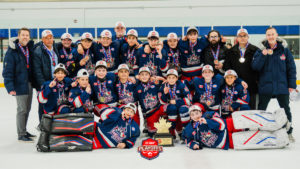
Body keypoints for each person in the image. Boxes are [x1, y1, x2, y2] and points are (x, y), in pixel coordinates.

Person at [252, 27, 297, 142]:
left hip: (282, 86)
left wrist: (292, 85)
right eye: (268, 35)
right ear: (266, 36)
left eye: (272, 34)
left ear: (276, 35)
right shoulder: (260, 50)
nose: (271, 37)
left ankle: (288, 131)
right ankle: (260, 130)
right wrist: (263, 55)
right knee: (261, 110)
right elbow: (255, 67)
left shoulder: (285, 50)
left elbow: (291, 68)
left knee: (286, 110)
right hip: (265, 86)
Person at [182, 105, 289, 150]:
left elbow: (221, 125)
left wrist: (207, 121)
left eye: (198, 113)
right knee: (253, 138)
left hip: (228, 125)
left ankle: (275, 120)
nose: (196, 115)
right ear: (190, 116)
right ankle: (277, 138)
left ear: (201, 112)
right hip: (223, 141)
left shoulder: (208, 115)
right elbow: (187, 140)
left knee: (249, 122)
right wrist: (193, 145)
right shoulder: (188, 129)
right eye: (193, 114)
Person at [2, 27, 37, 142]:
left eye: (27, 35)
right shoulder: (12, 51)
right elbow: (7, 71)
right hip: (19, 84)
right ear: (19, 36)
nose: (25, 37)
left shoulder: (30, 48)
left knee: (27, 108)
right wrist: (10, 87)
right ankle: (21, 134)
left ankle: (24, 130)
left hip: (29, 83)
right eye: (23, 35)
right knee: (22, 109)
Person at [223, 28, 259, 110]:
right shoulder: (231, 51)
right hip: (235, 85)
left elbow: (259, 67)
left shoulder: (255, 50)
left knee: (251, 108)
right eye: (240, 36)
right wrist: (232, 80)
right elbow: (227, 67)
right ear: (237, 38)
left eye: (244, 36)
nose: (242, 38)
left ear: (248, 37)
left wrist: (256, 79)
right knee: (237, 108)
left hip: (251, 85)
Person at [33, 29, 60, 122]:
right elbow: (37, 71)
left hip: (55, 82)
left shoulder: (55, 48)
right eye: (46, 38)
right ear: (42, 39)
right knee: (43, 104)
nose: (49, 40)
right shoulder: (38, 51)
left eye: (50, 38)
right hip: (44, 83)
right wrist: (44, 85)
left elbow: (68, 44)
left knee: (53, 104)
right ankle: (42, 125)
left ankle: (53, 125)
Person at [158, 69, 192, 141]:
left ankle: (186, 131)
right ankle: (171, 130)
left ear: (177, 78)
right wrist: (165, 94)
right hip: (170, 106)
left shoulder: (182, 85)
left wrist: (176, 102)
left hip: (180, 104)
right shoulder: (163, 86)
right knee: (173, 108)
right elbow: (161, 101)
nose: (171, 79)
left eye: (173, 77)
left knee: (184, 109)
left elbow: (189, 99)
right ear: (166, 78)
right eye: (169, 78)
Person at [135, 67, 167, 137]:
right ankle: (149, 125)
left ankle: (168, 128)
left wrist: (163, 79)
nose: (144, 76)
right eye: (142, 74)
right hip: (149, 113)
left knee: (168, 108)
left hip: (158, 108)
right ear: (139, 76)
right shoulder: (137, 88)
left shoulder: (156, 84)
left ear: (149, 75)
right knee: (151, 134)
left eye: (146, 74)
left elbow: (167, 84)